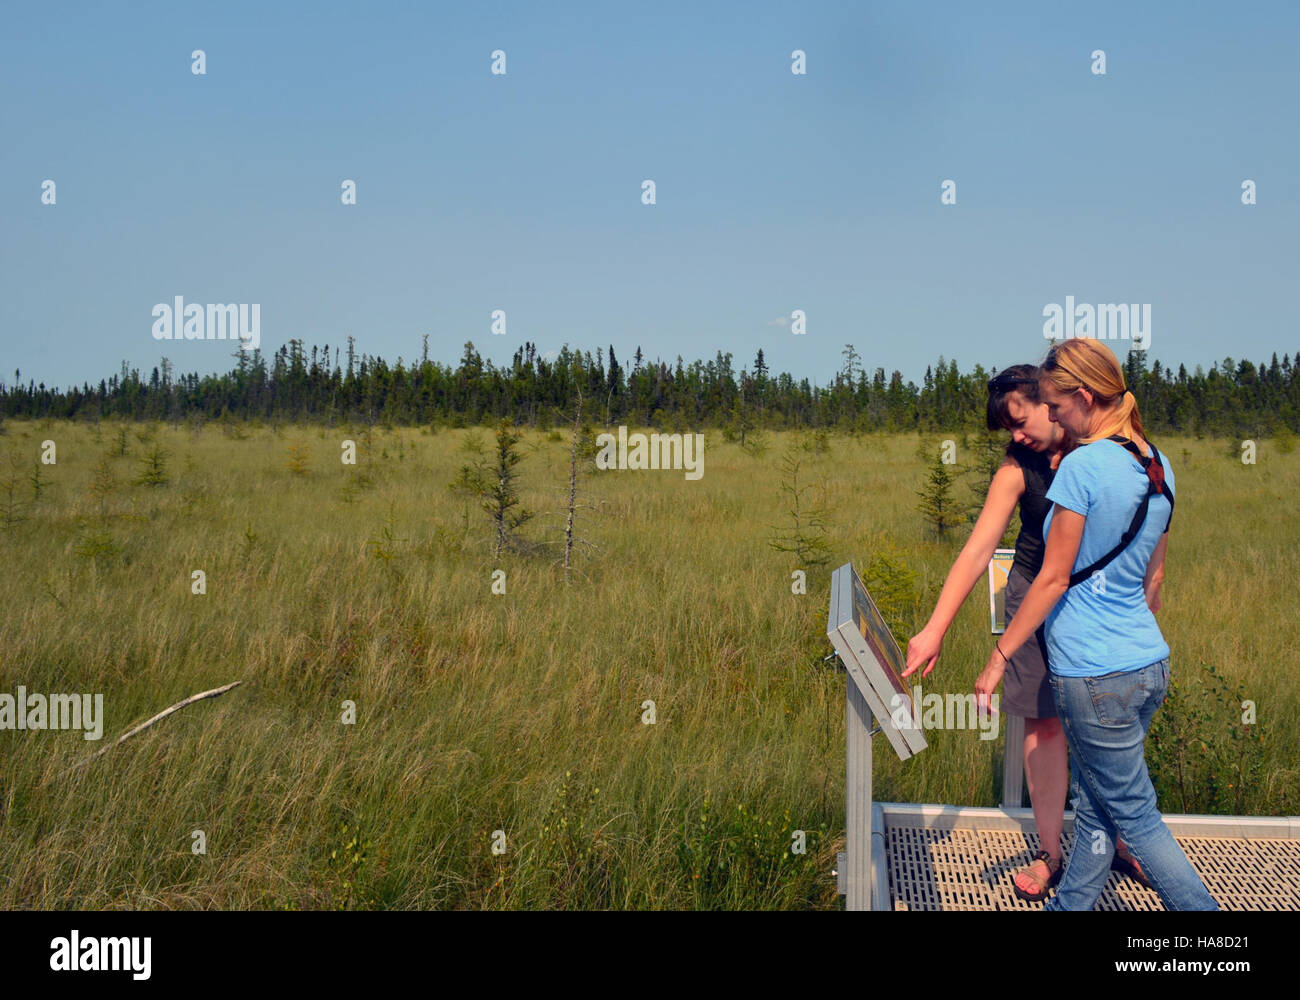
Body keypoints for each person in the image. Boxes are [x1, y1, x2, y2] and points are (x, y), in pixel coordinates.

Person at [973, 337, 1217, 911]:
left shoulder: (1083, 466)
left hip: (1092, 676)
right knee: (1100, 813)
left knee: (1137, 819)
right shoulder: (1159, 464)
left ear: (1084, 397)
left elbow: (1052, 579)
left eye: (1056, 407)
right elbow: (1152, 582)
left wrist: (998, 657)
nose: (1053, 418)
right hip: (1147, 664)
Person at [905, 364, 1078, 901]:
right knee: (1043, 724)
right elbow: (979, 550)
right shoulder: (1016, 468)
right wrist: (935, 629)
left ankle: (1114, 839)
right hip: (1031, 590)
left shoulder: (1095, 449)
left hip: (1087, 593)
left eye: (1020, 421)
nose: (1016, 435)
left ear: (1051, 401)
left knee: (1101, 719)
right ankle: (1051, 851)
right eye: (1008, 429)